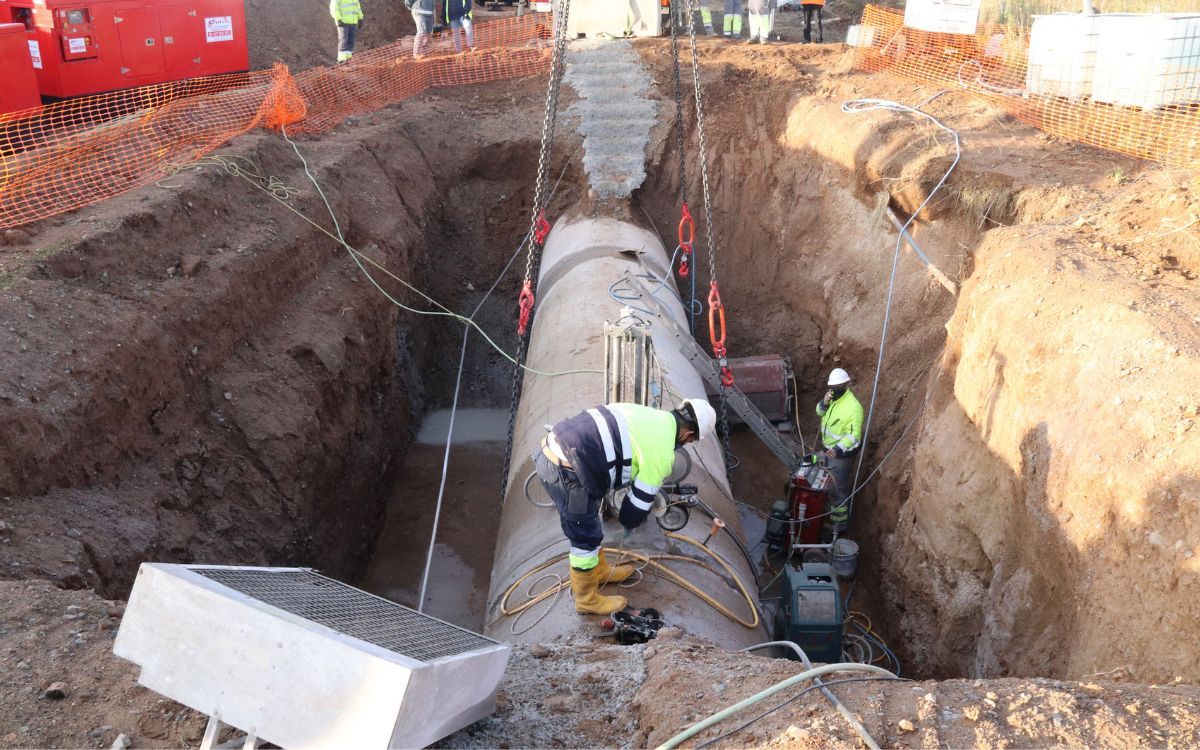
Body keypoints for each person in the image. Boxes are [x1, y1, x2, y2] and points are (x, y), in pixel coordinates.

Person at [533, 399, 717, 615]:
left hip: (559, 449)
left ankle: (599, 571)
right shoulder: (662, 453)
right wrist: (629, 525)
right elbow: (637, 505)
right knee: (585, 538)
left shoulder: (648, 414)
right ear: (688, 436)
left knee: (591, 523)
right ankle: (586, 600)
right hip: (566, 469)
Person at [815, 368, 862, 532]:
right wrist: (824, 403)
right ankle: (829, 510)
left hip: (842, 455)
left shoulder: (853, 407)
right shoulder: (833, 399)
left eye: (837, 386)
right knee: (826, 483)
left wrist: (837, 449)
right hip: (829, 450)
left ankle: (839, 525)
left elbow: (854, 436)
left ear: (846, 385)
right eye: (832, 387)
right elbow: (819, 412)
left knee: (837, 489)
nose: (833, 390)